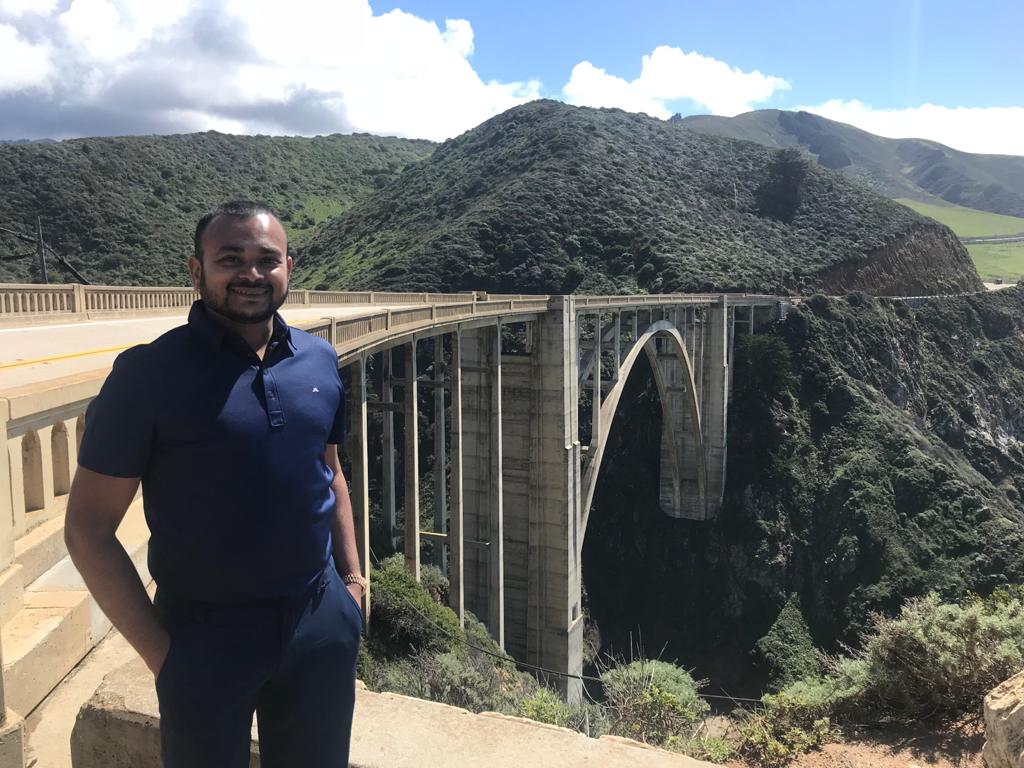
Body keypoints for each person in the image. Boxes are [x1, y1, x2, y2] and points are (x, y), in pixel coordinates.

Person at [64, 200, 364, 768]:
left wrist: (351, 585)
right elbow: (87, 529)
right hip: (203, 634)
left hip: (319, 618)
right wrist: (165, 656)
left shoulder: (320, 360)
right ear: (196, 270)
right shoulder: (147, 376)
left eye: (265, 260)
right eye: (231, 259)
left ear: (288, 269)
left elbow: (329, 472)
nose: (250, 273)